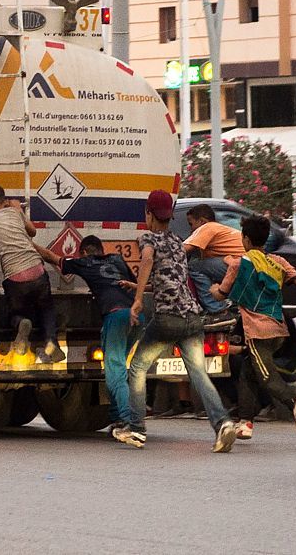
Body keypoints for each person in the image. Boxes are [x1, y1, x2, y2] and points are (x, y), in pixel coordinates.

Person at [112, 190, 238, 452]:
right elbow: (170, 281)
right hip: (192, 317)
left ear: (149, 213)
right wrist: (139, 286)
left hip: (167, 319)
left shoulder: (148, 238)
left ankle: (136, 429)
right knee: (198, 373)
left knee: (136, 368)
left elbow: (147, 260)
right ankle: (223, 423)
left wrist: (136, 300)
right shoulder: (179, 242)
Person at [209, 215, 296, 440]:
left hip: (258, 332)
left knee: (266, 376)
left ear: (245, 239)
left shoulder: (240, 264)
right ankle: (245, 423)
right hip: (279, 329)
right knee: (248, 373)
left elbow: (221, 294)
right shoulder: (277, 261)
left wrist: (213, 288)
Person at [34, 235, 141, 431]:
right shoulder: (117, 259)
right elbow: (134, 283)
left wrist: (27, 242)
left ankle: (128, 420)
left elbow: (51, 257)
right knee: (118, 367)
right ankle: (117, 417)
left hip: (115, 316)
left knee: (114, 370)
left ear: (83, 252)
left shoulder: (84, 262)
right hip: (136, 316)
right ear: (101, 249)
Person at [0, 185, 65, 364]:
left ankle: (22, 323)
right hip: (37, 271)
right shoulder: (15, 213)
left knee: (14, 313)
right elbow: (32, 232)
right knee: (46, 308)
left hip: (15, 278)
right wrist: (18, 209)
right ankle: (52, 344)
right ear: (4, 201)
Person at [183, 204, 245, 315]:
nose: (191, 229)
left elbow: (180, 250)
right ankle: (229, 306)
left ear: (202, 221)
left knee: (193, 267)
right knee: (205, 269)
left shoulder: (208, 227)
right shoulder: (220, 229)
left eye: (191, 224)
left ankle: (216, 309)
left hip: (237, 264)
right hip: (247, 266)